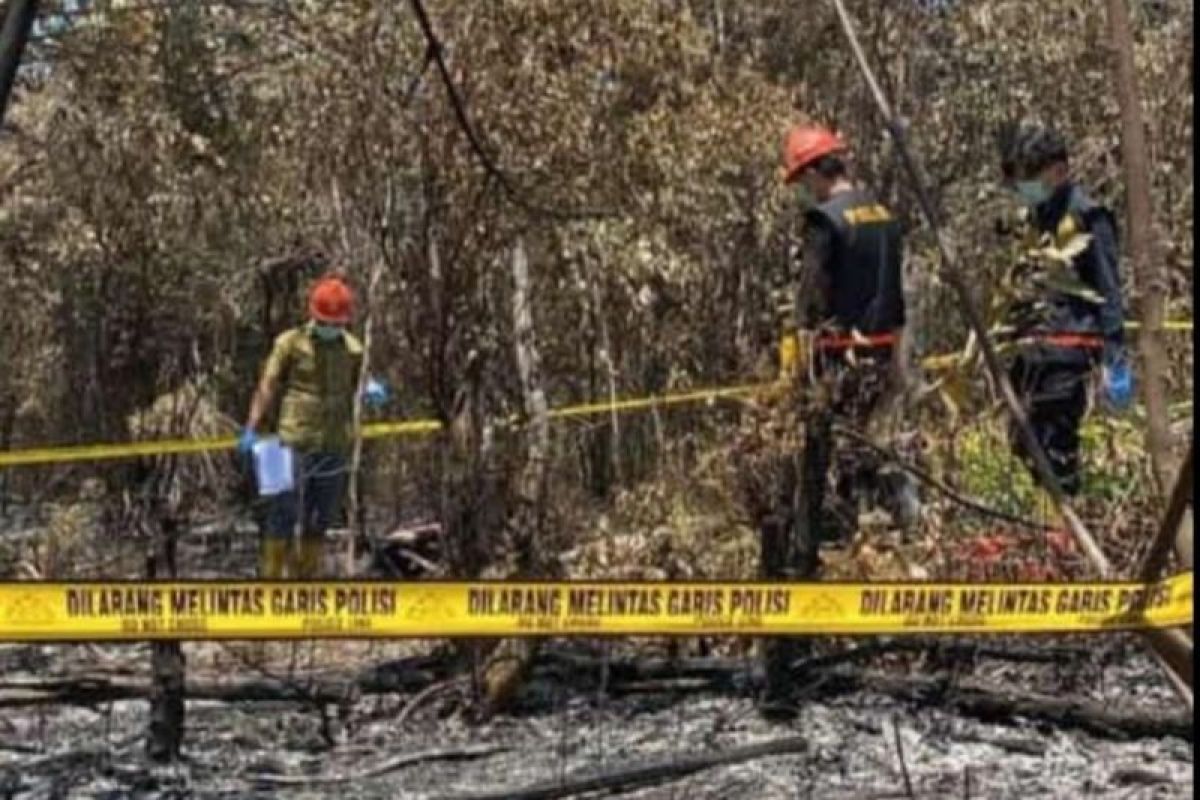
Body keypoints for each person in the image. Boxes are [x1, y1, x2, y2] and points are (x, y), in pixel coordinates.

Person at [759, 123, 913, 719]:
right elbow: (895, 299)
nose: (803, 192)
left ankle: (830, 559)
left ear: (819, 172)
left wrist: (797, 362)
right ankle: (879, 540)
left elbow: (811, 305)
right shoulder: (884, 216)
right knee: (870, 454)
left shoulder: (827, 223)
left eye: (802, 180)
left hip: (834, 363)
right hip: (879, 355)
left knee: (825, 469)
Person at [996, 123, 1132, 500]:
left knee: (1056, 449)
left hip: (1068, 351)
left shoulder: (1089, 217)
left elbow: (1109, 290)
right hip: (1031, 351)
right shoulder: (1036, 218)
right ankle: (1051, 524)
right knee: (1022, 440)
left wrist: (1115, 355)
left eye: (1030, 175)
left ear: (1058, 170)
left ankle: (1068, 530)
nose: (1025, 185)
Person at [238, 273, 390, 579]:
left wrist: (371, 388)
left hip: (334, 443)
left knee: (319, 520)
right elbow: (267, 384)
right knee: (279, 515)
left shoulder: (354, 349)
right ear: (312, 314)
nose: (331, 329)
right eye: (326, 322)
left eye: (337, 324)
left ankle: (307, 583)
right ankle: (270, 581)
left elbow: (360, 382)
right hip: (288, 443)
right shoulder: (289, 343)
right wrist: (251, 427)